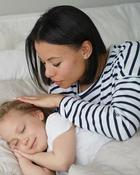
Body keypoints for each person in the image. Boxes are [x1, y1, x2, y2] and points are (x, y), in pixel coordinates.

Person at [20, 5, 140, 141]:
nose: (47, 73)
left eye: (56, 63)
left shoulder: (129, 55)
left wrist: (60, 101)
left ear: (85, 50)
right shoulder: (61, 87)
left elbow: (124, 125)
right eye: (43, 63)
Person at [0, 100, 110, 175]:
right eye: (15, 143)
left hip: (111, 151)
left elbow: (62, 162)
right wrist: (22, 158)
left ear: (37, 115)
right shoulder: (47, 156)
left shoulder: (54, 122)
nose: (24, 141)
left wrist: (32, 156)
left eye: (22, 130)